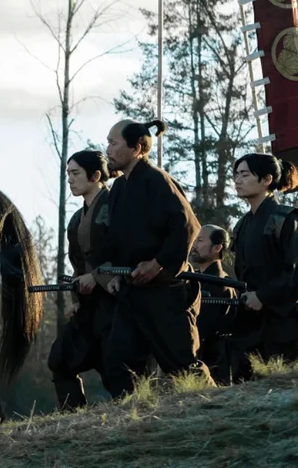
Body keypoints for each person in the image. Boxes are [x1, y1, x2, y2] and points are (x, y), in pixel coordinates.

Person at [101, 119, 214, 397]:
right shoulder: (117, 189)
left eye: (114, 143)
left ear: (137, 147)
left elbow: (187, 226)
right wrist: (117, 273)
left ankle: (217, 409)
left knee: (183, 366)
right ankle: (133, 421)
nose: (108, 149)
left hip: (164, 292)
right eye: (108, 143)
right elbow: (118, 239)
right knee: (119, 364)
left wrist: (158, 263)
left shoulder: (157, 181)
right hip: (132, 291)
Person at [229, 153, 298, 367]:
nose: (237, 180)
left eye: (245, 174)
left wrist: (264, 296)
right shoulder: (242, 225)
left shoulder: (286, 218)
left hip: (292, 326)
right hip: (257, 327)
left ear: (266, 180)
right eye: (236, 175)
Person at [47, 150, 118, 410]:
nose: (71, 180)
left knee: (116, 370)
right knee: (61, 359)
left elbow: (127, 251)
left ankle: (131, 421)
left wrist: (98, 276)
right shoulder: (77, 218)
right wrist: (76, 298)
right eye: (68, 174)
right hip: (88, 304)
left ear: (96, 175)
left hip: (116, 300)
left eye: (75, 174)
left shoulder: (115, 206)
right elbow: (77, 265)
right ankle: (72, 416)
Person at [189, 225, 238, 384]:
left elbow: (202, 329)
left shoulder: (221, 286)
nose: (194, 244)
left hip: (214, 368)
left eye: (200, 240)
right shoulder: (196, 280)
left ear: (217, 247)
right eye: (195, 239)